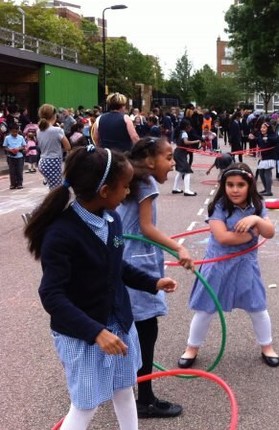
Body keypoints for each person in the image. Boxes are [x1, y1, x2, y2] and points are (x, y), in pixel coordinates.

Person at [24, 145, 178, 430]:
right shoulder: (62, 234)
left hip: (118, 324)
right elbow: (51, 295)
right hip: (83, 335)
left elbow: (116, 265)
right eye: (125, 187)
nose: (129, 192)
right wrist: (96, 333)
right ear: (106, 191)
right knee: (86, 405)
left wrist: (152, 282)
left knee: (123, 390)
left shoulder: (112, 219)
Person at [117, 137, 193, 419]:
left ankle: (125, 390)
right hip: (139, 262)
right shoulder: (145, 184)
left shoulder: (129, 181)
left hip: (123, 257)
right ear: (150, 161)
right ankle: (144, 399)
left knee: (131, 327)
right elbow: (147, 228)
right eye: (169, 157)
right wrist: (179, 247)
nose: (173, 163)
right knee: (146, 331)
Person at [178, 163, 279, 368]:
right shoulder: (219, 206)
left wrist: (255, 219)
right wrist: (252, 233)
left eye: (240, 185)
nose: (235, 189)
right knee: (205, 309)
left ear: (249, 185)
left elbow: (269, 232)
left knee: (258, 308)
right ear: (223, 186)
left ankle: (267, 347)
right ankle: (191, 348)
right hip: (218, 266)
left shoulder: (257, 205)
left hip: (246, 266)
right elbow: (223, 237)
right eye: (230, 184)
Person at [37, 103, 71, 189]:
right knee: (57, 189)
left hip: (42, 161)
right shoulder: (57, 130)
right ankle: (53, 202)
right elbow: (68, 147)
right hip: (53, 162)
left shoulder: (39, 130)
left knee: (53, 187)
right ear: (54, 116)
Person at [250, 121, 278, 196]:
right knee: (261, 173)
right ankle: (266, 189)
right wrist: (253, 138)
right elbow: (259, 143)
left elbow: (276, 141)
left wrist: (268, 138)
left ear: (268, 129)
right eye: (261, 127)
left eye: (264, 128)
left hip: (270, 157)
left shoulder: (272, 135)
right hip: (263, 157)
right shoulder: (260, 136)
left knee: (267, 173)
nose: (262, 129)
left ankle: (269, 191)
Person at [171, 119, 199, 197]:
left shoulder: (180, 132)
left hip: (178, 153)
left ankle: (175, 188)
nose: (190, 127)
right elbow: (186, 142)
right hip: (181, 154)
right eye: (189, 126)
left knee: (180, 171)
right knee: (187, 171)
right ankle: (187, 190)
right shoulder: (184, 133)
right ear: (187, 126)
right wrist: (196, 141)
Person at [4, 122, 26, 190]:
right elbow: (5, 147)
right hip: (11, 156)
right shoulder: (7, 138)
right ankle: (13, 184)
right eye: (13, 132)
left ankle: (19, 183)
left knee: (19, 170)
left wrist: (18, 149)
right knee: (12, 171)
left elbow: (24, 146)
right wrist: (10, 150)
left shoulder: (21, 137)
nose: (15, 133)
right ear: (10, 131)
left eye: (16, 132)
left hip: (19, 156)